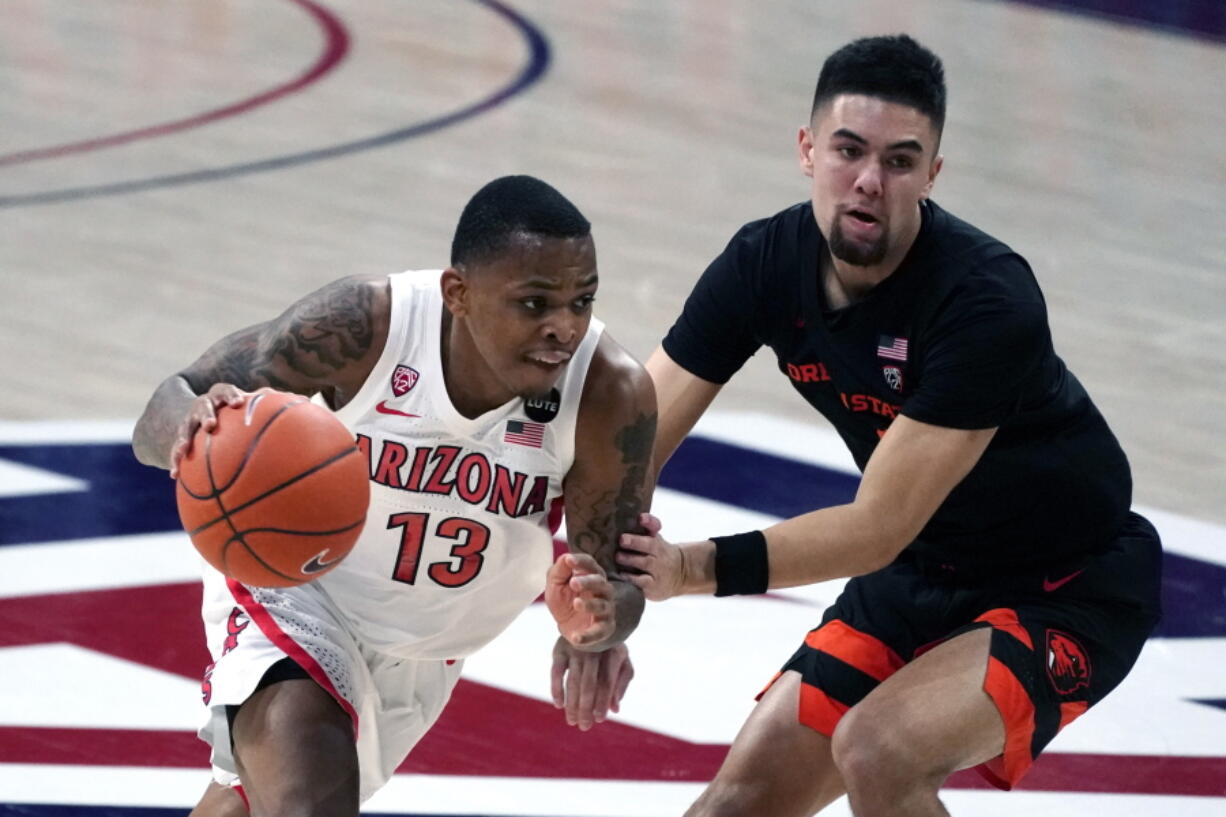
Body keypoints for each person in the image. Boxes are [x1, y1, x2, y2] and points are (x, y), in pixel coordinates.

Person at [617, 35, 1162, 817]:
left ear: (933, 174)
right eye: (849, 150)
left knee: (879, 752)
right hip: (921, 573)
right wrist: (598, 614)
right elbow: (634, 437)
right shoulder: (763, 263)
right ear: (807, 150)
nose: (870, 181)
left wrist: (688, 570)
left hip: (1063, 581)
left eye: (901, 161)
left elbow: (878, 527)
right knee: (728, 809)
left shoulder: (986, 301)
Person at [132, 175, 656, 816]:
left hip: (428, 652)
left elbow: (619, 584)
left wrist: (598, 622)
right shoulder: (364, 326)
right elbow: (164, 407)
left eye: (582, 301)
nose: (564, 328)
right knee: (308, 802)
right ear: (457, 293)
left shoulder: (610, 393)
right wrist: (190, 434)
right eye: (535, 303)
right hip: (297, 593)